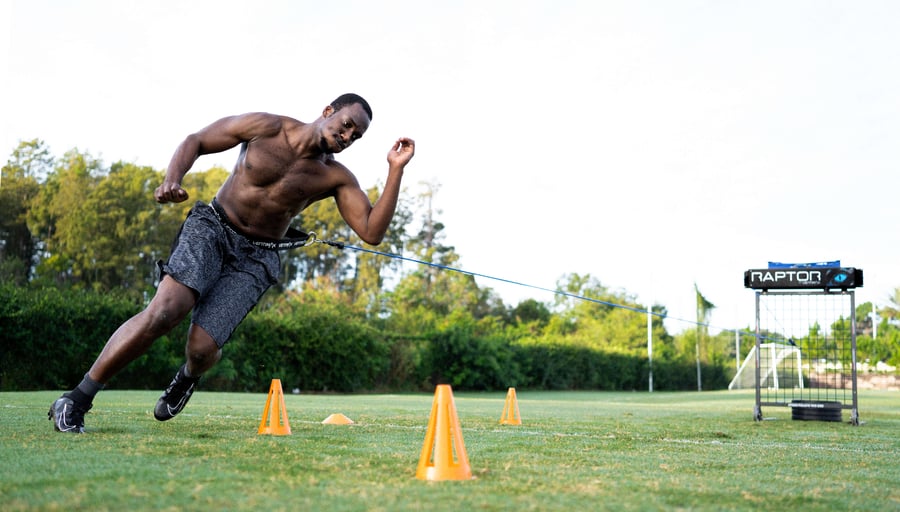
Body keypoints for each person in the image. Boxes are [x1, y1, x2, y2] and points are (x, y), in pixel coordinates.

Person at [49, 93, 415, 433]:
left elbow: (371, 231)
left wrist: (395, 169)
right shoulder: (266, 126)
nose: (348, 136)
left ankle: (188, 377)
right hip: (212, 227)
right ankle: (76, 400)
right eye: (347, 124)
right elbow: (196, 141)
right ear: (328, 111)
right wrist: (171, 180)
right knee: (165, 310)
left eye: (357, 136)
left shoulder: (335, 176)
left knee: (202, 349)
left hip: (256, 256)